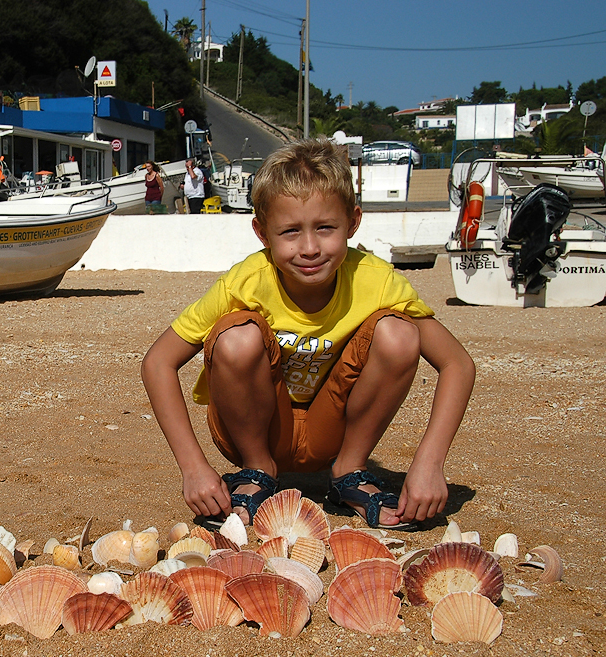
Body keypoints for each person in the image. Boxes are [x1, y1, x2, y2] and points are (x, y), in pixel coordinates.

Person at [141, 137, 475, 531]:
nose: (310, 247)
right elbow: (158, 362)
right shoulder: (246, 281)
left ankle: (350, 471)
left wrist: (430, 463)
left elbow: (457, 363)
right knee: (237, 336)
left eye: (325, 228)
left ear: (353, 221)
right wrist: (193, 467)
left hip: (331, 432)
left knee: (400, 334)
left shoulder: (376, 280)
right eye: (290, 232)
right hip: (257, 431)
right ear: (262, 232)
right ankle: (256, 471)